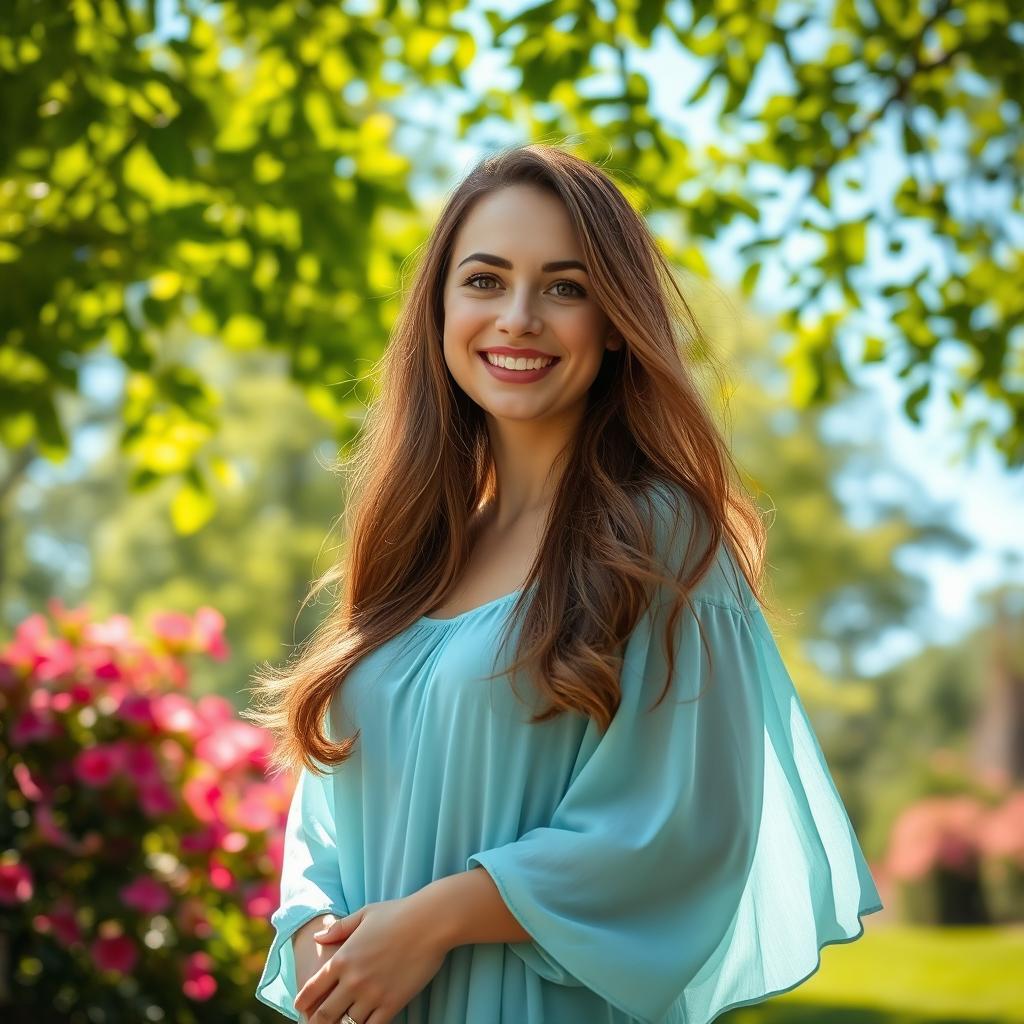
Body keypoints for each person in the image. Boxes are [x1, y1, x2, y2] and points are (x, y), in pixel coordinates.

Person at [244, 142, 884, 1024]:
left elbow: (681, 830)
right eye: (484, 280)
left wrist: (434, 922)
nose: (517, 317)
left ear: (616, 319)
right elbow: (332, 804)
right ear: (438, 308)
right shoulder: (413, 549)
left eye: (565, 287)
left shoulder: (660, 538)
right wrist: (319, 925)